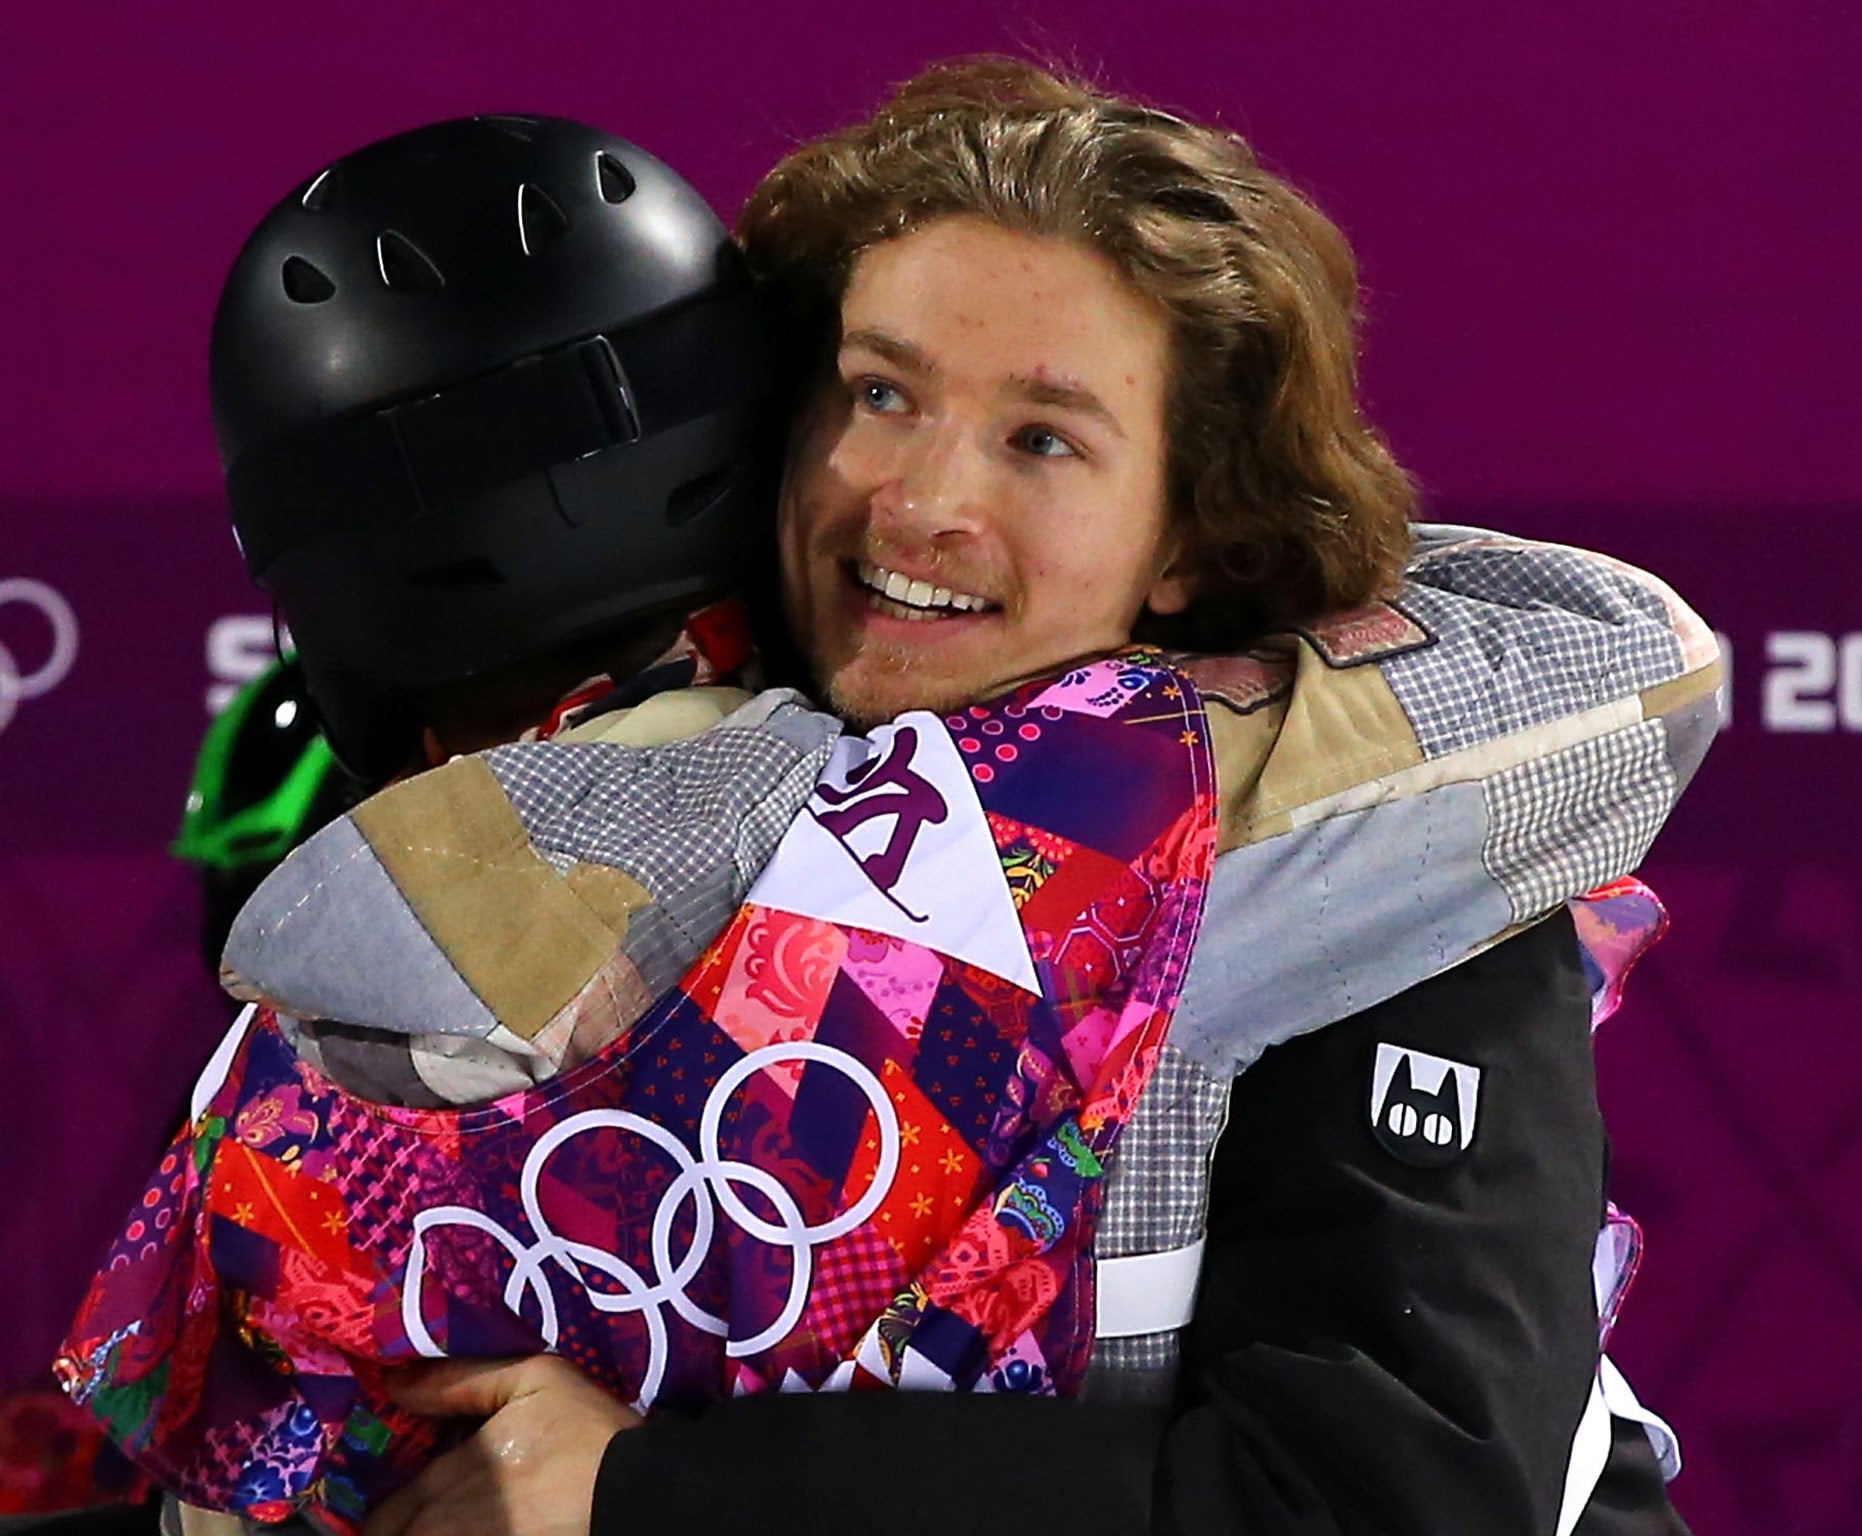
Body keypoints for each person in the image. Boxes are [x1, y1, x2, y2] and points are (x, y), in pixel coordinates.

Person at [57, 66, 1717, 1536]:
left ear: (1195, 529)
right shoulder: (619, 820)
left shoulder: (1386, 871)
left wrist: (648, 1497)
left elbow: (1393, 1502)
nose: (924, 501)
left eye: (1044, 440)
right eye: (880, 394)